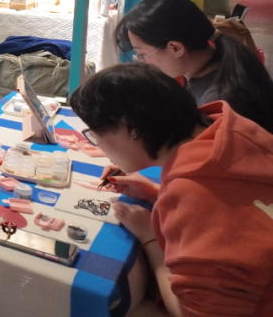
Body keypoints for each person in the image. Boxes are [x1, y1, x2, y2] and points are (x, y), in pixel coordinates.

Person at [70, 64, 273, 317]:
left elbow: (192, 312)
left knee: (96, 292)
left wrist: (150, 237)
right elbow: (238, 205)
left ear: (131, 128)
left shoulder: (194, 197)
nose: (98, 144)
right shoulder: (232, 129)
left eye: (94, 134)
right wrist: (157, 193)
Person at [116, 0, 273, 131]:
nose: (143, 63)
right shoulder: (222, 66)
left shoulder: (218, 103)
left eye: (142, 54)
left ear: (176, 48)